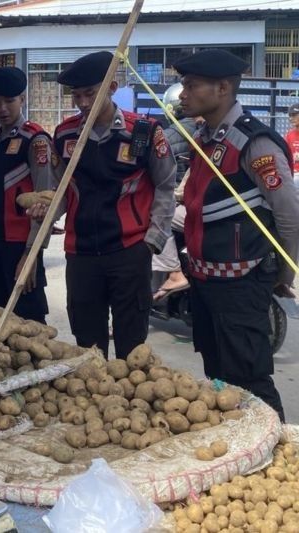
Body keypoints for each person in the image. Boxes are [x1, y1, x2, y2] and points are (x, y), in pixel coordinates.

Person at [174, 49, 299, 421]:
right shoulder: (204, 137)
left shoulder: (254, 143)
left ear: (222, 88)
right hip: (204, 279)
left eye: (191, 85)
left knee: (250, 381)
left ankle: (280, 459)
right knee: (219, 381)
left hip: (241, 284)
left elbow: (289, 214)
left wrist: (286, 271)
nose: (183, 94)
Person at [31, 51, 177, 358]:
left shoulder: (144, 132)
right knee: (88, 344)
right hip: (81, 254)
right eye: (77, 95)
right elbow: (61, 192)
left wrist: (152, 241)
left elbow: (165, 185)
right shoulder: (66, 134)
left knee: (132, 343)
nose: (83, 103)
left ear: (112, 87)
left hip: (130, 252)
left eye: (91, 94)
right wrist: (46, 209)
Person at [0, 66, 58, 323]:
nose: (2, 108)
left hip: (20, 247)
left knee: (29, 324)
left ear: (22, 99)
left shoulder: (36, 140)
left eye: (9, 101)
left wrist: (31, 253)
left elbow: (46, 203)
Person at [151, 83, 200, 301]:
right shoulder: (207, 132)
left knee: (160, 219)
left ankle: (174, 272)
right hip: (198, 202)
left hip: (184, 204)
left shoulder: (167, 136)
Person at [284, 102, 299, 181]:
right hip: (292, 173)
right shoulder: (289, 135)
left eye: (294, 115)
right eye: (290, 116)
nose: (290, 118)